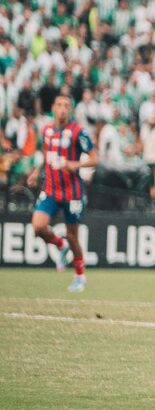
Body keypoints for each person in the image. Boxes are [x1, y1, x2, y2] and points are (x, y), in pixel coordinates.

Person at [26, 94, 96, 292]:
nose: (63, 109)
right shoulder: (47, 130)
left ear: (71, 110)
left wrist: (75, 163)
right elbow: (46, 153)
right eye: (59, 105)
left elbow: (94, 158)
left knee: (73, 236)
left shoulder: (78, 132)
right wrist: (36, 171)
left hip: (72, 192)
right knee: (38, 227)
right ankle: (59, 244)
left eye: (67, 105)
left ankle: (80, 276)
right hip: (50, 189)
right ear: (53, 108)